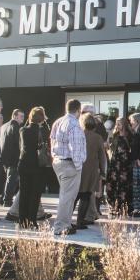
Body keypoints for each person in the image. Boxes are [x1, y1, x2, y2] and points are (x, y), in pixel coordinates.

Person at [50, 99, 87, 236]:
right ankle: (61, 227)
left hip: (58, 162)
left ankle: (65, 223)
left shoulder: (58, 122)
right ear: (78, 110)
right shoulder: (74, 125)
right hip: (70, 164)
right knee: (67, 197)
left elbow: (52, 140)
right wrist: (78, 167)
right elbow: (75, 149)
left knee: (66, 195)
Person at [16, 107, 51, 228]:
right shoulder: (43, 131)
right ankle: (32, 220)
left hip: (24, 163)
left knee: (24, 193)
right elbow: (47, 136)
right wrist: (44, 121)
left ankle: (22, 220)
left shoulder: (22, 130)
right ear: (42, 118)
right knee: (35, 194)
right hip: (37, 165)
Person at [76, 110, 108, 229]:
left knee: (76, 195)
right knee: (86, 195)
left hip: (78, 168)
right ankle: (80, 221)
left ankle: (70, 219)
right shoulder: (98, 138)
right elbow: (102, 157)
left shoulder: (78, 134)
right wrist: (103, 172)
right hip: (91, 170)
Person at [104, 117, 134, 218]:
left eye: (119, 123)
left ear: (124, 124)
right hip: (115, 163)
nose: (118, 125)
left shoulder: (130, 135)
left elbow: (132, 149)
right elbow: (108, 147)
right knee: (112, 185)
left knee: (124, 186)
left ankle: (124, 209)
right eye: (117, 123)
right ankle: (113, 208)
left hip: (125, 164)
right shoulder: (114, 134)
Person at [0, 108, 24, 208]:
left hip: (4, 157)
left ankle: (3, 198)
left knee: (8, 179)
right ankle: (7, 200)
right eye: (21, 116)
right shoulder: (16, 127)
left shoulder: (4, 126)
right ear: (14, 116)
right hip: (14, 157)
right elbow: (19, 144)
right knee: (11, 180)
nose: (23, 118)